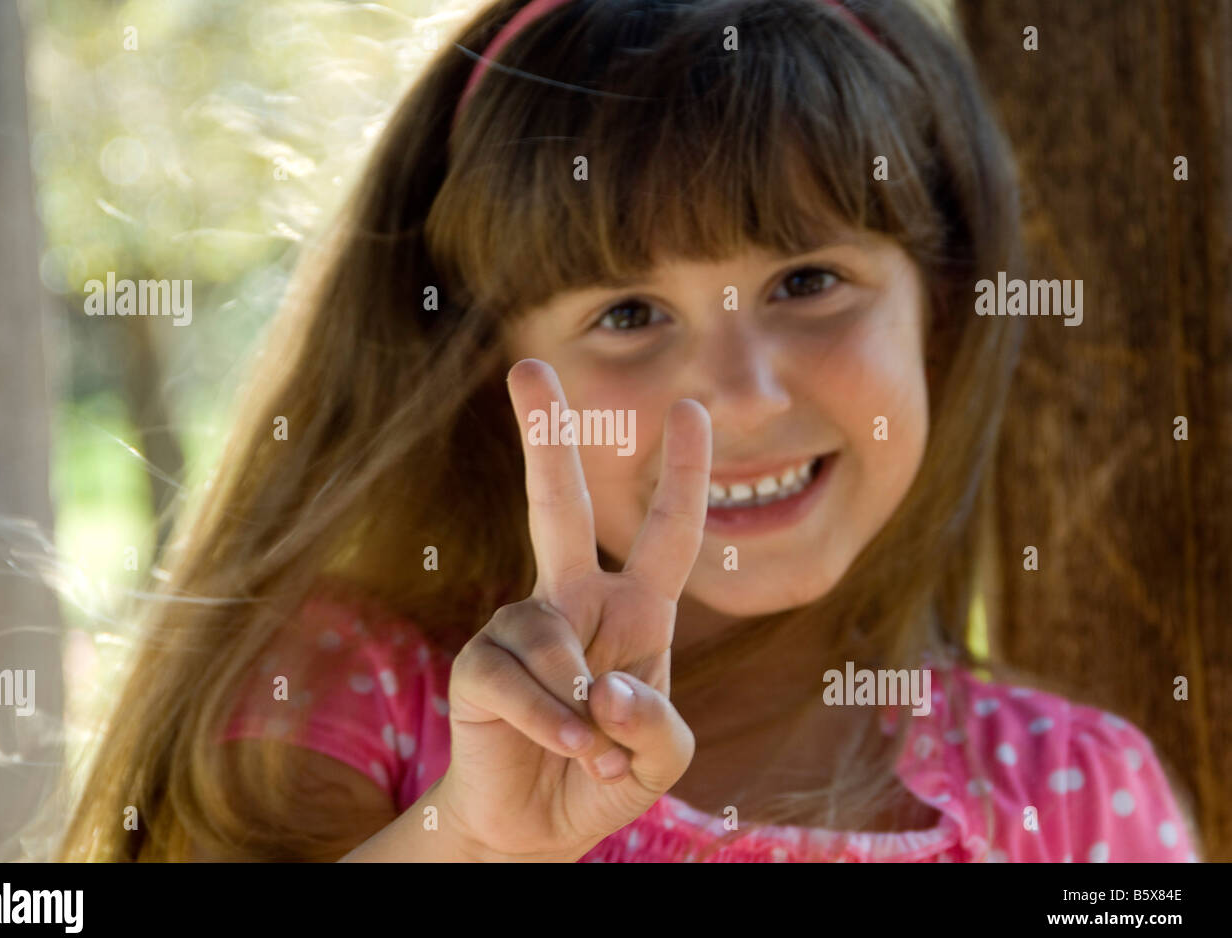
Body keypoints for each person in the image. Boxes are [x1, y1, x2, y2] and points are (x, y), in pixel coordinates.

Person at [60, 0, 1199, 862]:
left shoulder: (1075, 794)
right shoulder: (349, 682)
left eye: (808, 279)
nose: (740, 395)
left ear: (941, 312)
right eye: (629, 314)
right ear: (488, 372)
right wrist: (465, 840)